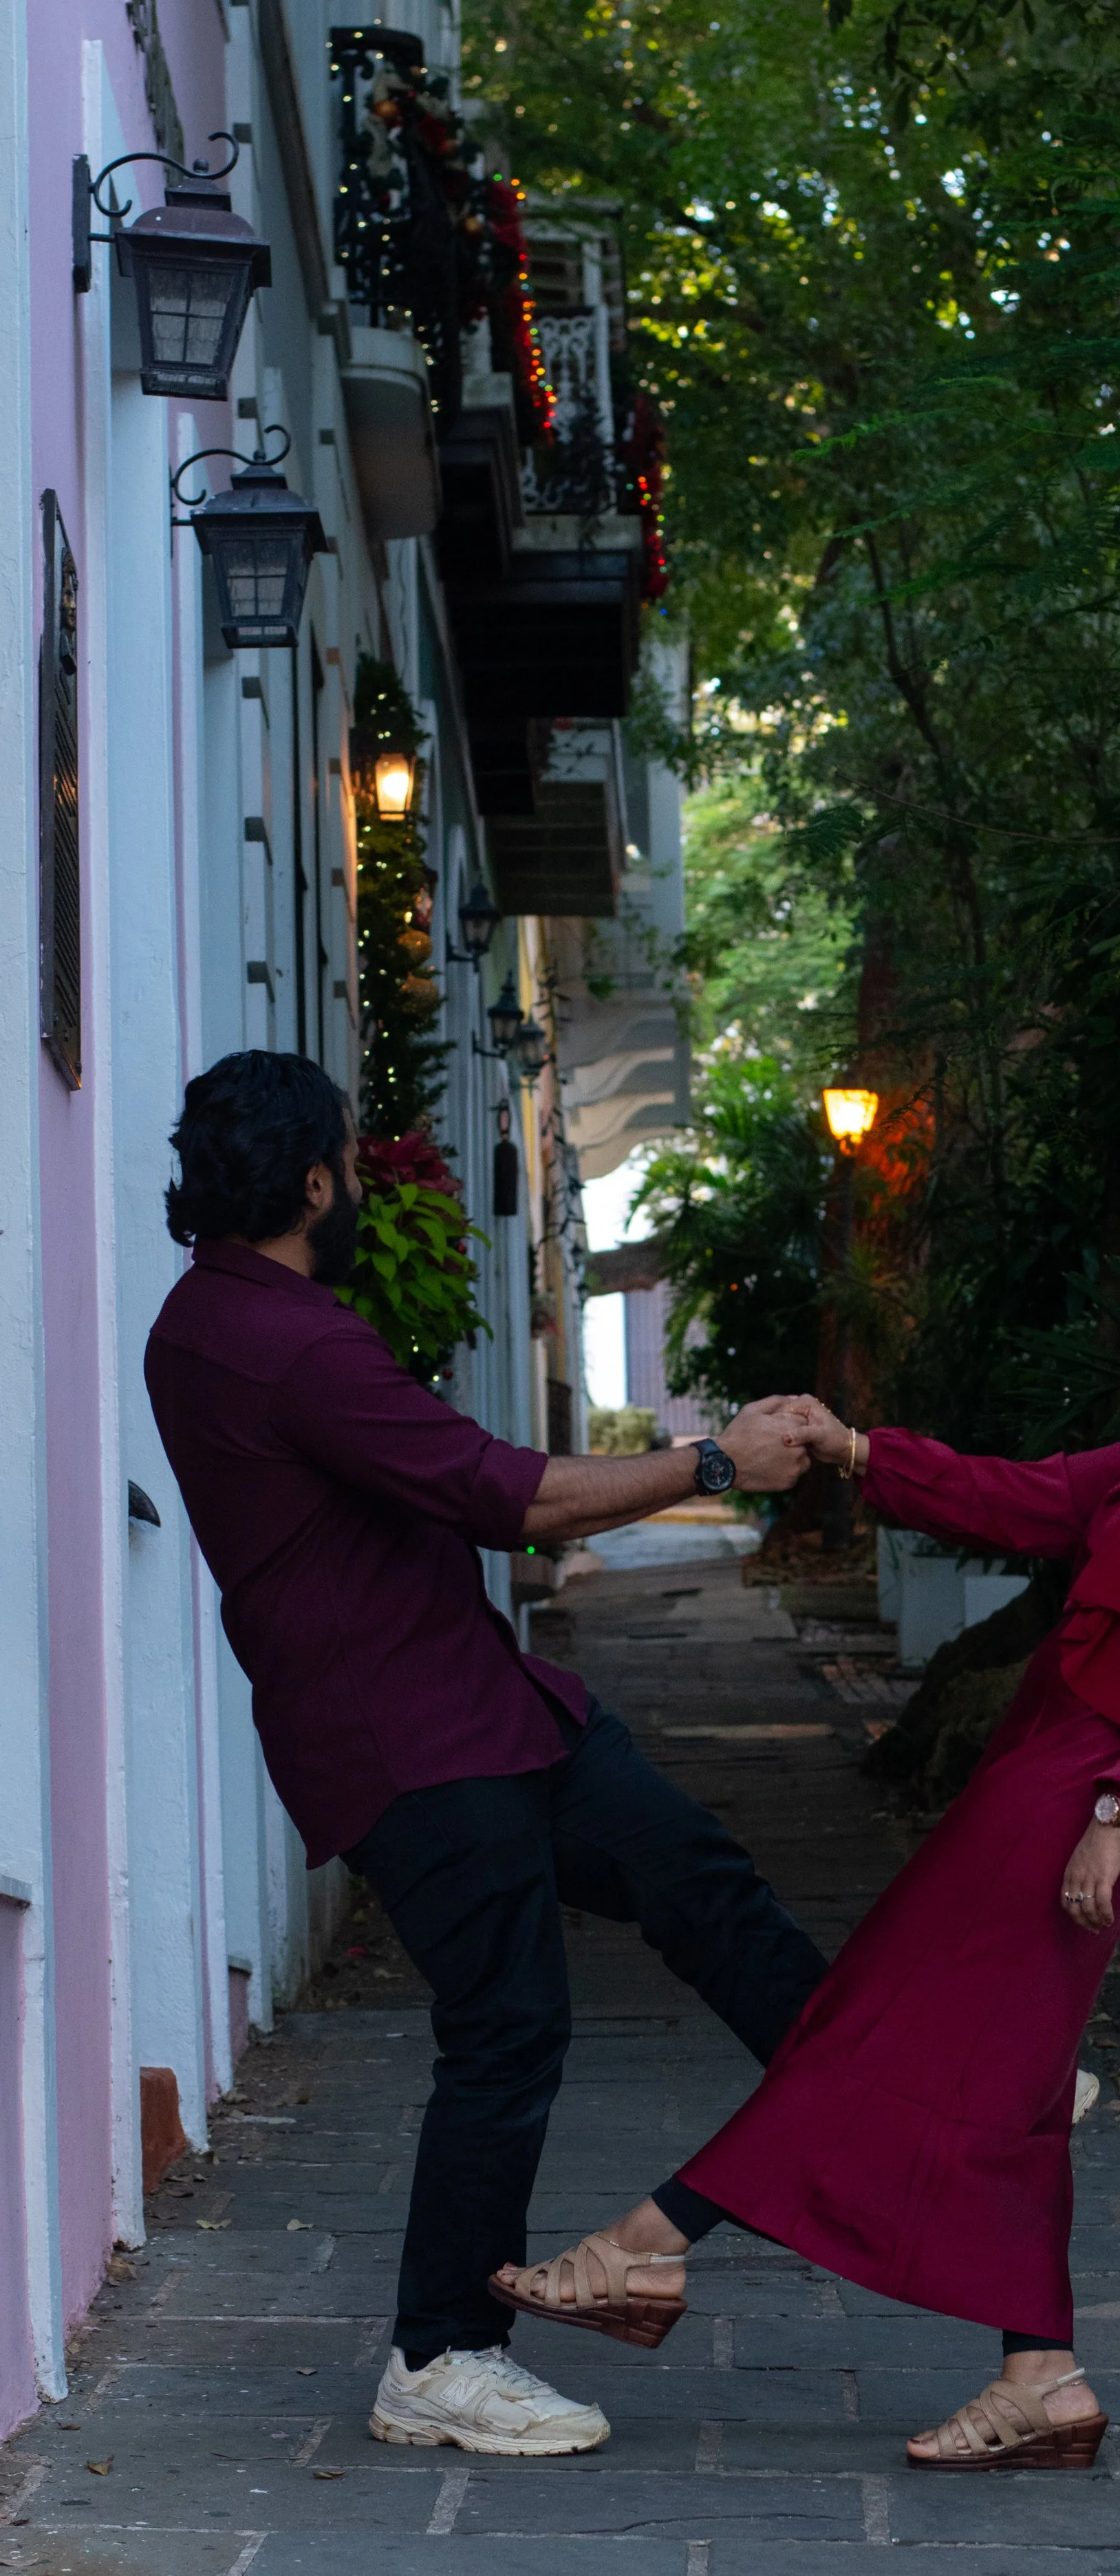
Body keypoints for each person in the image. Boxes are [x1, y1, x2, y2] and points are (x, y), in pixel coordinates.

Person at [493, 1214, 1120, 2467]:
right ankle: (1042, 2375)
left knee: (878, 2014)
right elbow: (1040, 1498)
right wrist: (860, 1449)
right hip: (1059, 1753)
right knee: (1017, 2075)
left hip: (1099, 1782)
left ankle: (647, 2249)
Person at [144, 1051, 829, 2459]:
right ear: (315, 1181)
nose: (366, 1174)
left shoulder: (218, 1316)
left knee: (688, 1869)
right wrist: (712, 1464)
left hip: (486, 1709)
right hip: (406, 1743)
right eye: (352, 1153)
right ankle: (443, 2354)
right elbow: (509, 1500)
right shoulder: (283, 1342)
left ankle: (881, 2090)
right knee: (508, 2027)